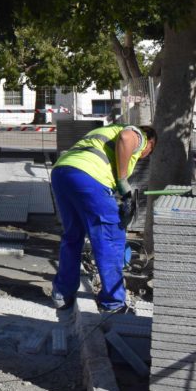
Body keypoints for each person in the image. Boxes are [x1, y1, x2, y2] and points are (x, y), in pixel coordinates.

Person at [50, 123, 157, 313]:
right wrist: (124, 183)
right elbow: (126, 138)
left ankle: (62, 294)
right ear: (149, 143)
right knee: (111, 239)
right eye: (150, 150)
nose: (145, 154)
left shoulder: (106, 131)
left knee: (72, 236)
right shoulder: (138, 134)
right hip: (88, 177)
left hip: (62, 173)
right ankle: (113, 303)